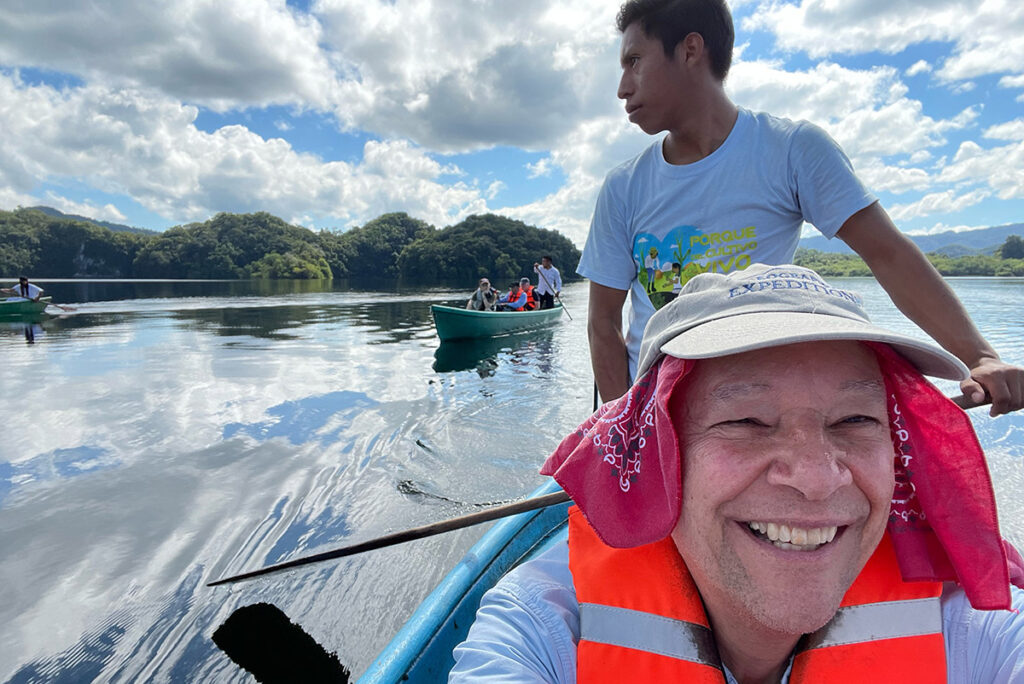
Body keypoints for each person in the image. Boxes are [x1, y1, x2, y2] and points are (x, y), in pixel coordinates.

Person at [450, 264, 1024, 683]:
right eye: (747, 420)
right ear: (656, 456)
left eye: (855, 419)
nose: (818, 479)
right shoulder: (544, 628)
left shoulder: (975, 624)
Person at [579, 0, 1024, 416]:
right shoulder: (624, 187)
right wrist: (624, 430)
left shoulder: (790, 150)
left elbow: (888, 255)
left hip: (763, 409)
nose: (622, 88)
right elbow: (603, 322)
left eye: (633, 61)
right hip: (660, 412)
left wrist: (981, 357)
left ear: (690, 50)